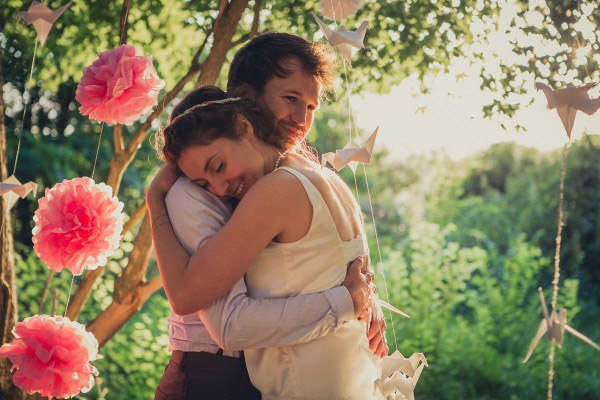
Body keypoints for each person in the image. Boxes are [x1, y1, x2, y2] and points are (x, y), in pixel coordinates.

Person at [153, 33, 387, 400]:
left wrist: (365, 304)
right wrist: (351, 301)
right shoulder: (203, 188)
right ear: (246, 101)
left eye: (310, 107)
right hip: (207, 371)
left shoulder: (286, 180)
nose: (301, 120)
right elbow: (197, 303)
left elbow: (350, 271)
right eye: (291, 99)